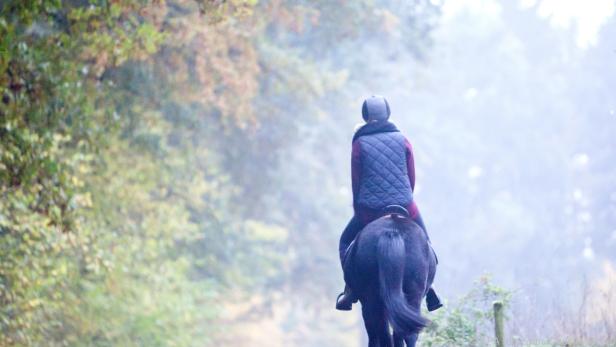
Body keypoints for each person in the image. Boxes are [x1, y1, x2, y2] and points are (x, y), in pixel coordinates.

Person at [336, 95, 443, 312]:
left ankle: (350, 290)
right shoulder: (402, 139)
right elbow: (410, 175)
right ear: (388, 114)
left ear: (365, 116)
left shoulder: (359, 142)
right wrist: (406, 199)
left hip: (369, 210)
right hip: (404, 204)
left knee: (345, 242)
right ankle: (429, 289)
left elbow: (356, 179)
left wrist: (359, 208)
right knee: (426, 244)